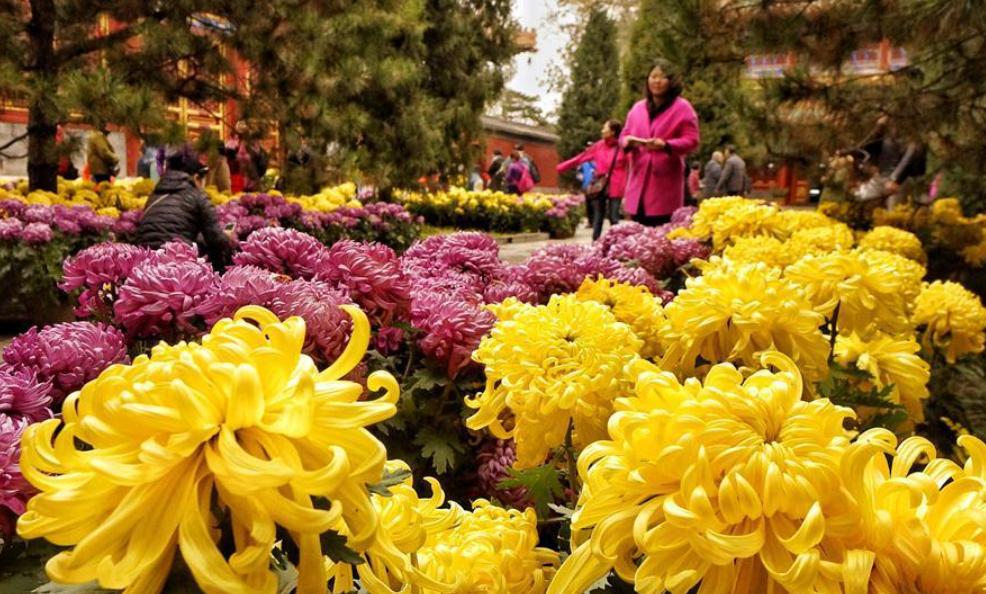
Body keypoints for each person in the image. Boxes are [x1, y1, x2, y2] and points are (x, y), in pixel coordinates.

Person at [620, 59, 700, 226]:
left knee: (661, 230)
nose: (656, 81)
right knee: (638, 232)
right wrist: (627, 141)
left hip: (665, 183)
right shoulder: (637, 108)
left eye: (662, 77)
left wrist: (667, 145)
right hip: (638, 180)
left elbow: (692, 140)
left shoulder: (682, 107)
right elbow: (624, 134)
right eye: (653, 76)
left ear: (671, 82)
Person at [135, 146, 231, 271]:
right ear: (196, 177)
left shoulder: (154, 195)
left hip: (145, 263)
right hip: (178, 265)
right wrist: (229, 237)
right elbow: (216, 240)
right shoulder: (197, 196)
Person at [557, 119, 629, 240]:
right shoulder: (599, 146)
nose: (602, 130)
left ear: (612, 131)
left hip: (616, 186)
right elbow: (581, 158)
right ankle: (595, 244)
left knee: (613, 217)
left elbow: (633, 163)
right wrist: (562, 167)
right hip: (599, 185)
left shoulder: (623, 147)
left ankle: (618, 244)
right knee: (598, 217)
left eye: (604, 128)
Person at [224, 121, 268, 193]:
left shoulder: (254, 148)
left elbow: (261, 166)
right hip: (239, 184)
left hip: (250, 184)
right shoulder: (233, 147)